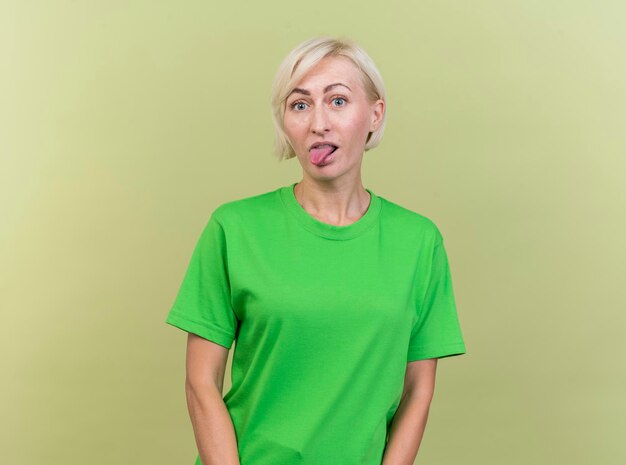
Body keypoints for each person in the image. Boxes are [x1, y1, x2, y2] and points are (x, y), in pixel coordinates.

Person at [165, 35, 467, 465]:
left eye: (338, 101)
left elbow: (418, 389)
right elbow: (201, 381)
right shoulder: (234, 228)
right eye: (300, 104)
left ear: (375, 114)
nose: (318, 123)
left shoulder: (419, 242)